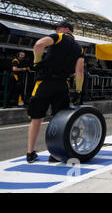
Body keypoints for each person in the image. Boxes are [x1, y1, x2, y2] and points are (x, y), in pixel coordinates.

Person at [26, 21, 85, 163]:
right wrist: (77, 90)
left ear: (65, 30)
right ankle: (56, 154)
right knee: (59, 120)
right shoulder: (79, 49)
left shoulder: (58, 37)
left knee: (36, 119)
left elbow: (39, 44)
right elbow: (79, 71)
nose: (56, 30)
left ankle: (30, 153)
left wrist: (37, 62)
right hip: (62, 85)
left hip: (44, 83)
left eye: (58, 28)